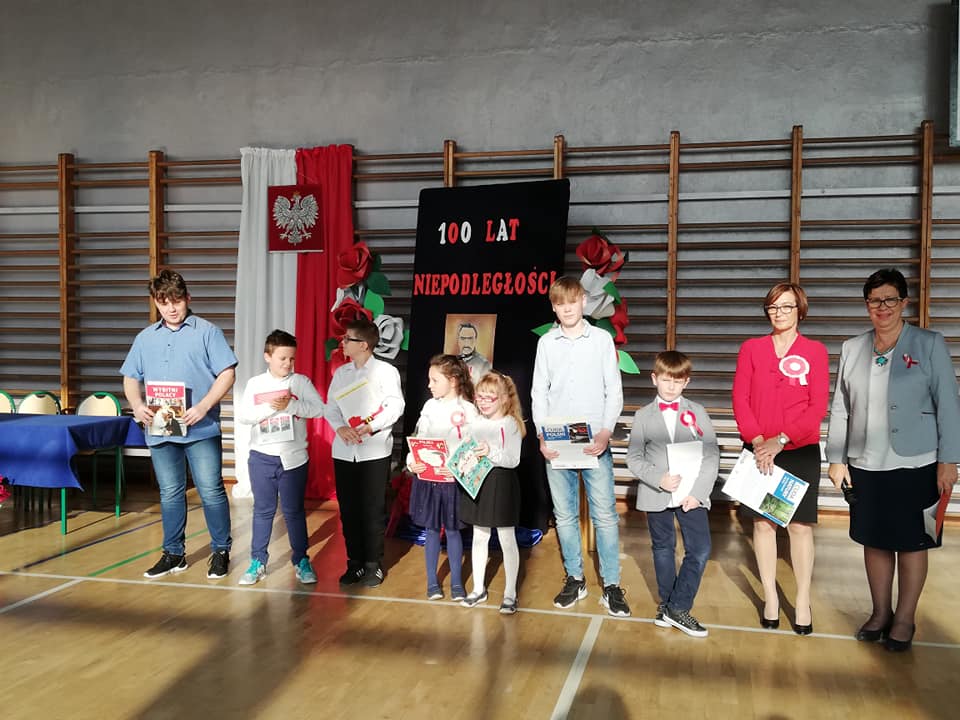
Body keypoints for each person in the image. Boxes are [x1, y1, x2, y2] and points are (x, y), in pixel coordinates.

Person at [826, 268, 960, 652]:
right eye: (874, 300)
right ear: (866, 305)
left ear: (904, 302)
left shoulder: (929, 343)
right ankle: (880, 613)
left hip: (919, 462)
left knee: (913, 543)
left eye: (889, 299)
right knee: (875, 541)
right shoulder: (852, 348)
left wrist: (949, 460)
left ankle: (904, 618)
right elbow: (841, 407)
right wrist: (836, 458)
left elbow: (949, 405)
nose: (881, 307)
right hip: (865, 463)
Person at [121, 269, 238, 579]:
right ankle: (173, 553)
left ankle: (220, 551)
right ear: (155, 303)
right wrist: (138, 406)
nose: (171, 308)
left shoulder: (208, 332)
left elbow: (227, 373)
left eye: (176, 301)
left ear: (187, 298)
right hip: (161, 429)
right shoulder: (145, 338)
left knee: (210, 490)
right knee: (170, 493)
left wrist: (203, 406)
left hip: (201, 428)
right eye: (163, 302)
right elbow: (130, 378)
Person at [732, 282, 829, 634]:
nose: (779, 313)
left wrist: (781, 440)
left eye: (787, 306)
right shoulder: (751, 348)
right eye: (773, 307)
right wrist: (759, 442)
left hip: (798, 449)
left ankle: (802, 600)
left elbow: (818, 406)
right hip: (759, 450)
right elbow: (740, 398)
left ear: (800, 310)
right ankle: (771, 597)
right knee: (763, 524)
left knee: (800, 526)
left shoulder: (815, 351)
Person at [531, 276, 629, 617]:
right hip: (558, 438)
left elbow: (613, 390)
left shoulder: (601, 340)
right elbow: (539, 392)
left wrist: (606, 432)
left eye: (572, 301)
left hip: (594, 438)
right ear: (553, 308)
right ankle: (575, 578)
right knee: (564, 515)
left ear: (583, 301)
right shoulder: (547, 343)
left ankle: (612, 584)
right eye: (560, 304)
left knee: (605, 515)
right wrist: (542, 434)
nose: (567, 308)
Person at [626, 351, 718, 637]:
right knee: (663, 548)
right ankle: (669, 605)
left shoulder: (698, 411)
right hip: (657, 493)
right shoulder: (643, 416)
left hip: (692, 495)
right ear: (654, 379)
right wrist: (659, 479)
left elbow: (711, 455)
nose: (671, 387)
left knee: (700, 549)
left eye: (677, 382)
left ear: (686, 382)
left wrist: (698, 492)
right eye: (666, 380)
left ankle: (677, 607)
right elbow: (633, 458)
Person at [234, 330, 326, 586]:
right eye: (282, 358)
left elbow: (319, 409)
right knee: (263, 511)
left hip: (294, 459)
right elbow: (244, 416)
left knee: (294, 511)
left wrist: (291, 406)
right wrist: (270, 407)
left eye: (292, 359)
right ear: (268, 356)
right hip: (262, 457)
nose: (287, 364)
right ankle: (258, 562)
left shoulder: (300, 382)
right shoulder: (255, 384)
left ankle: (301, 560)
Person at [325, 318, 405, 587]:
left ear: (365, 345)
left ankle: (373, 563)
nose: (343, 342)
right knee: (348, 509)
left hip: (373, 451)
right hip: (345, 450)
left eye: (348, 339)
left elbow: (395, 406)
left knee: (372, 508)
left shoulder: (385, 371)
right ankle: (355, 562)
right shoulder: (342, 373)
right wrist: (340, 427)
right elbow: (331, 406)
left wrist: (371, 426)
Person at [406, 354, 478, 601]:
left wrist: (458, 468)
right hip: (429, 479)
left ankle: (457, 582)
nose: (430, 385)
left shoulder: (469, 410)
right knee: (432, 529)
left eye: (435, 380)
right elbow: (419, 437)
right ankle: (432, 582)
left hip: (452, 482)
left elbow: (473, 447)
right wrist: (412, 461)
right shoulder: (429, 407)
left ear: (453, 380)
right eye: (429, 380)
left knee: (454, 530)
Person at [460, 371, 525, 615]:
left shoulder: (510, 424)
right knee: (479, 536)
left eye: (490, 397)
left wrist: (490, 452)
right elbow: (466, 448)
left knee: (507, 538)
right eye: (480, 396)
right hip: (478, 481)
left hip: (501, 482)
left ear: (504, 399)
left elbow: (513, 460)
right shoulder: (475, 422)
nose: (483, 402)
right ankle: (478, 589)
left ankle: (510, 593)